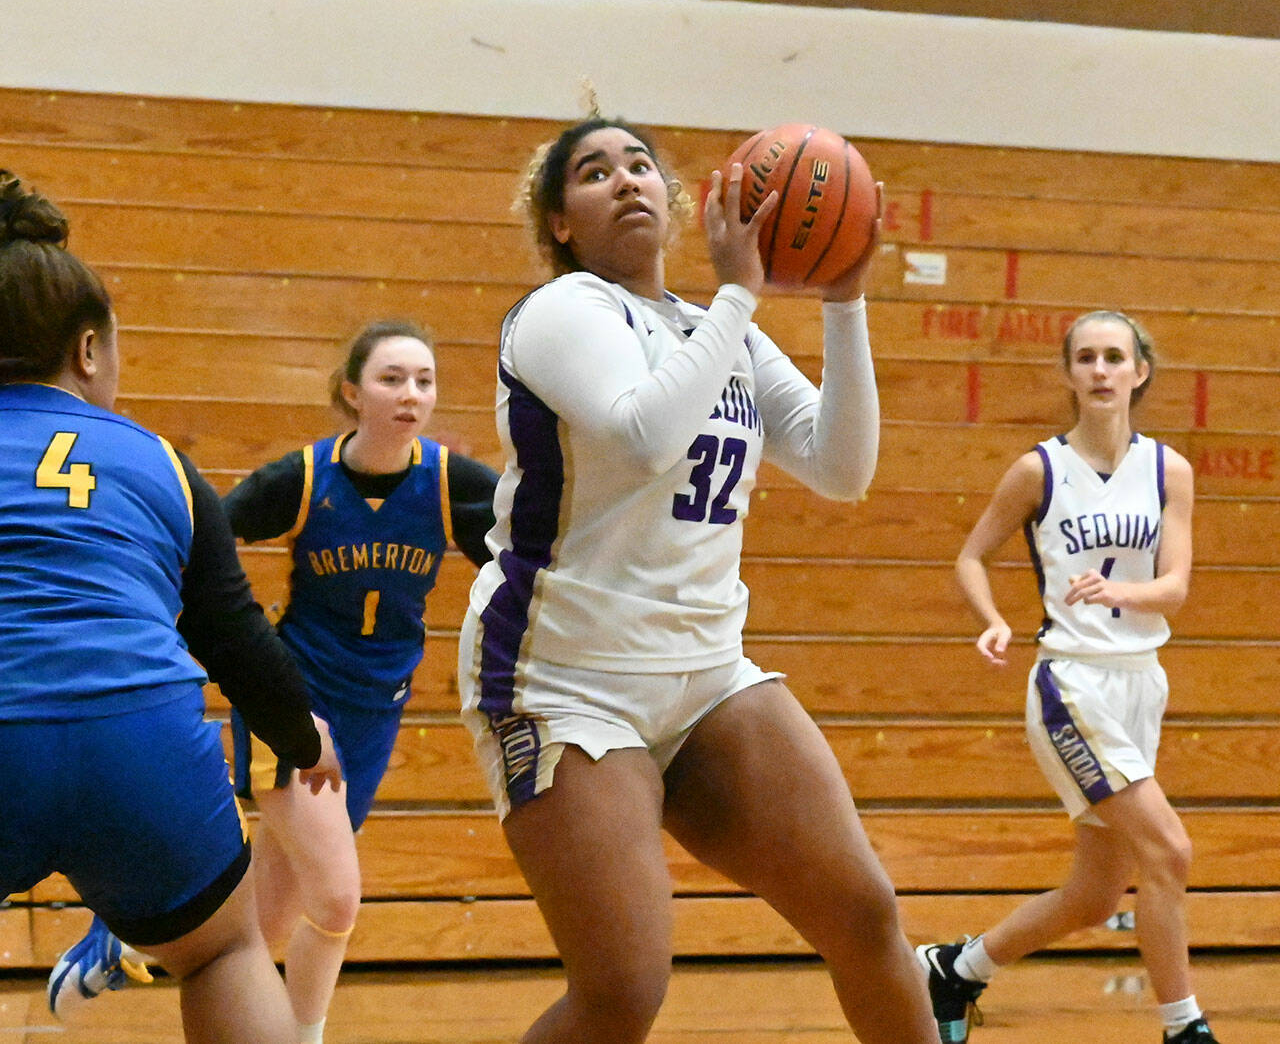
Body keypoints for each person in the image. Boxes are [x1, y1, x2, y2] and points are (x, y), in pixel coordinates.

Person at [457, 114, 939, 1044]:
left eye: (641, 164)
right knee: (624, 987)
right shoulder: (563, 312)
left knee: (866, 914)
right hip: (565, 678)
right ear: (559, 222)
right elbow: (643, 436)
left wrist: (844, 300)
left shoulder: (719, 330)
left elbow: (844, 467)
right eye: (594, 173)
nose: (626, 180)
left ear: (682, 204)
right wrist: (739, 298)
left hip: (705, 673)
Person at [55, 319, 499, 1044]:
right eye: (391, 378)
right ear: (352, 392)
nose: (411, 394)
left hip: (378, 712)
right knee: (337, 898)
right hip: (297, 706)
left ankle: (125, 943)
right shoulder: (303, 478)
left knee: (260, 927)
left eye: (424, 380)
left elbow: (529, 561)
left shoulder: (452, 484)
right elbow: (199, 545)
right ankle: (306, 1035)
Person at [0, 169, 341, 1044]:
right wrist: (302, 735)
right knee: (224, 953)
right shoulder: (159, 464)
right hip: (138, 738)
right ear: (86, 353)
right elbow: (235, 639)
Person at [915, 310, 1216, 1044]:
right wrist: (991, 618)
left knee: (1093, 894)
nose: (1102, 370)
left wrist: (1121, 594)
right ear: (1070, 374)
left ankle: (955, 969)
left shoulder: (1168, 469)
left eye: (1116, 357)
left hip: (1140, 680)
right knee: (1169, 850)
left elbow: (1174, 587)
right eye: (1087, 358)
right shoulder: (1038, 469)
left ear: (1140, 371)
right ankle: (1186, 1028)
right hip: (1070, 685)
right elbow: (969, 556)